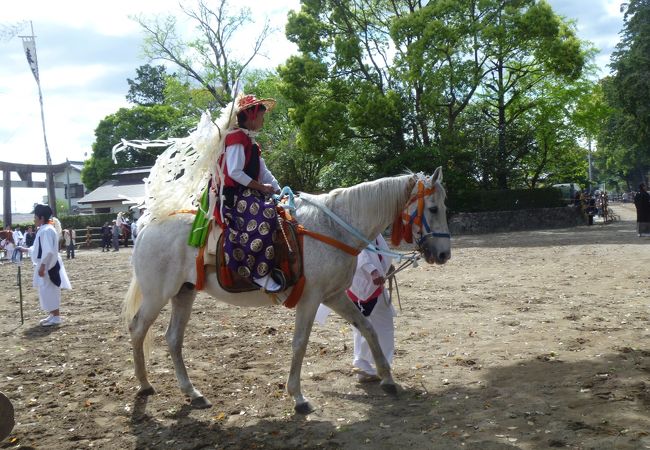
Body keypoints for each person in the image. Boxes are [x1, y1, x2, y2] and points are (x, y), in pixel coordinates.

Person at [216, 94, 283, 293]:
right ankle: (259, 273)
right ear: (252, 116)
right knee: (266, 215)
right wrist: (262, 188)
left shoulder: (251, 142)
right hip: (235, 195)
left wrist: (279, 190)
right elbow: (234, 172)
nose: (263, 120)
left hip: (250, 191)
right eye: (262, 116)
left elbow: (263, 172)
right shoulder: (236, 138)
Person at [345, 234, 396, 382]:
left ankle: (378, 366)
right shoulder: (355, 222)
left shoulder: (375, 228)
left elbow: (378, 250)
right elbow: (356, 247)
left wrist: (385, 266)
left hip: (376, 285)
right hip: (361, 285)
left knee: (385, 326)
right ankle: (362, 364)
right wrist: (372, 271)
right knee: (364, 326)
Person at [26, 204, 71, 327]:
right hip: (46, 263)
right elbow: (39, 249)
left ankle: (56, 316)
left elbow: (48, 250)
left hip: (47, 265)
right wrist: (26, 250)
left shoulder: (46, 230)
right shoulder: (45, 229)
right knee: (45, 290)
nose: (34, 219)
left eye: (35, 217)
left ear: (41, 217)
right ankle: (52, 314)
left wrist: (43, 266)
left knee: (49, 289)